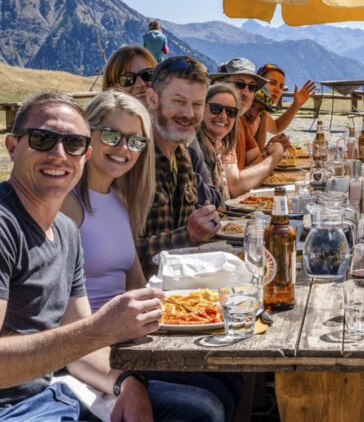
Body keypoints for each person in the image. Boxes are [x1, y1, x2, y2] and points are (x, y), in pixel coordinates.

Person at [0, 91, 167, 421]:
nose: (59, 154)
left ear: (85, 155)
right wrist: (99, 330)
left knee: (195, 410)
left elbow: (80, 352)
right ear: (12, 147)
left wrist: (125, 384)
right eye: (43, 139)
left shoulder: (66, 232)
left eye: (72, 144)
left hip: (47, 398)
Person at [60, 90, 235, 421]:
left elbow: (138, 289)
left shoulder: (121, 201)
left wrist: (205, 306)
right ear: (88, 135)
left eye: (136, 142)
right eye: (112, 135)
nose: (124, 149)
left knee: (228, 381)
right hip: (92, 353)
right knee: (205, 408)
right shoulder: (69, 205)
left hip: (126, 342)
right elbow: (63, 320)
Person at [140, 55, 222, 277]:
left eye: (197, 105)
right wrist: (190, 234)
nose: (188, 114)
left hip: (182, 292)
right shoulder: (133, 160)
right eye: (178, 101)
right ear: (152, 99)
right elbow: (122, 257)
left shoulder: (183, 157)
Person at [198, 84, 287, 198]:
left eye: (231, 111)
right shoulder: (197, 146)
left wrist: (269, 150)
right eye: (216, 108)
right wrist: (275, 156)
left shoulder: (228, 134)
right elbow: (235, 187)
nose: (223, 116)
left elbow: (254, 161)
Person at [210, 57, 289, 169]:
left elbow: (253, 163)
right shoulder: (212, 124)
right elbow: (234, 183)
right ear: (218, 85)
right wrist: (272, 153)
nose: (246, 92)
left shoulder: (240, 121)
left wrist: (269, 150)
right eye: (239, 84)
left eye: (252, 87)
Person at [252, 62, 316, 147]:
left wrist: (296, 105)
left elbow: (276, 127)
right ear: (258, 83)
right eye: (272, 83)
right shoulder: (249, 111)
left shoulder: (263, 112)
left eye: (281, 86)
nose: (277, 90)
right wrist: (270, 147)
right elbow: (253, 156)